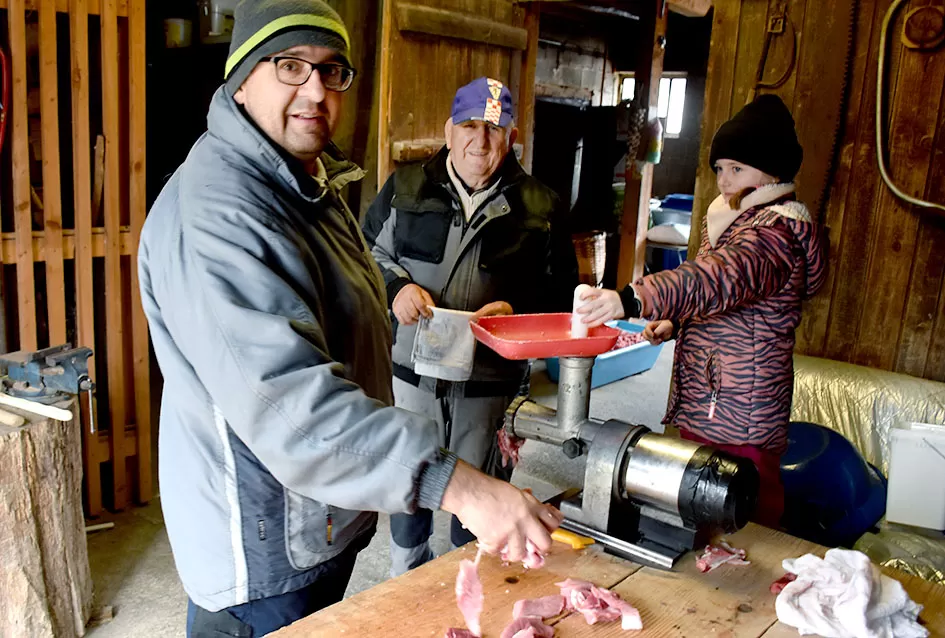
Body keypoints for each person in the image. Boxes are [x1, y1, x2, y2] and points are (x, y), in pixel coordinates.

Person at [137, 3, 561, 636]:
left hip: (320, 514)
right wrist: (465, 488)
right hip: (263, 550)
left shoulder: (307, 181)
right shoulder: (219, 213)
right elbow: (291, 409)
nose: (315, 90)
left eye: (332, 70)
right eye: (290, 66)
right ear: (241, 78)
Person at [577, 94, 827, 529]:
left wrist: (633, 297)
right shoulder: (740, 222)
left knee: (748, 497)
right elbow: (722, 301)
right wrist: (676, 322)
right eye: (720, 169)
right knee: (705, 488)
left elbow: (716, 278)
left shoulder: (773, 234)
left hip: (741, 403)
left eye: (738, 169)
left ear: (773, 173)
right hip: (716, 390)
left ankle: (763, 577)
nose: (725, 181)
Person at [362, 77, 578, 576]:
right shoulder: (405, 187)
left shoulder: (542, 207)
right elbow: (364, 254)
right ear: (448, 129)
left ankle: (468, 583)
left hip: (490, 382)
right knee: (408, 478)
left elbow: (562, 295)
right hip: (412, 372)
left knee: (481, 490)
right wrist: (396, 289)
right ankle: (406, 572)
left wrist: (517, 312)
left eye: (494, 127)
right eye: (469, 125)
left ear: (512, 134)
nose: (480, 140)